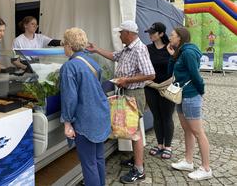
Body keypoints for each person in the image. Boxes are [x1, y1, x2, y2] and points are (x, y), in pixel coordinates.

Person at [87, 20, 155, 184]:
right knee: (132, 130)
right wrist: (96, 49)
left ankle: (139, 170)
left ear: (129, 34)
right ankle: (136, 160)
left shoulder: (139, 49)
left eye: (121, 32)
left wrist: (127, 80)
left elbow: (151, 74)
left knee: (135, 132)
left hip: (133, 93)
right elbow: (114, 56)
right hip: (128, 92)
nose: (119, 35)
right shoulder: (127, 48)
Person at [60, 27, 111, 186]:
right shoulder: (92, 61)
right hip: (100, 114)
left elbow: (69, 98)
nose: (63, 47)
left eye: (64, 44)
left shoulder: (69, 66)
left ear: (69, 45)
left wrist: (67, 122)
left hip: (86, 118)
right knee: (98, 158)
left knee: (88, 163)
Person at [167, 27, 213, 181]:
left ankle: (206, 168)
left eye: (172, 35)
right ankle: (188, 161)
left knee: (198, 132)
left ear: (180, 37)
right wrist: (172, 56)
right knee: (187, 129)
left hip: (191, 95)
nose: (170, 36)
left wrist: (200, 91)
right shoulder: (179, 52)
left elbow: (195, 75)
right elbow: (170, 72)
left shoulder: (188, 52)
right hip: (180, 95)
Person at [144, 22, 175, 159]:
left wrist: (173, 55)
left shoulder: (171, 48)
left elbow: (178, 65)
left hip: (168, 86)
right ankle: (159, 145)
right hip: (151, 87)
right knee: (156, 116)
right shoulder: (147, 48)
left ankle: (168, 146)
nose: (150, 35)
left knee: (167, 117)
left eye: (153, 32)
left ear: (161, 34)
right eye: (149, 32)